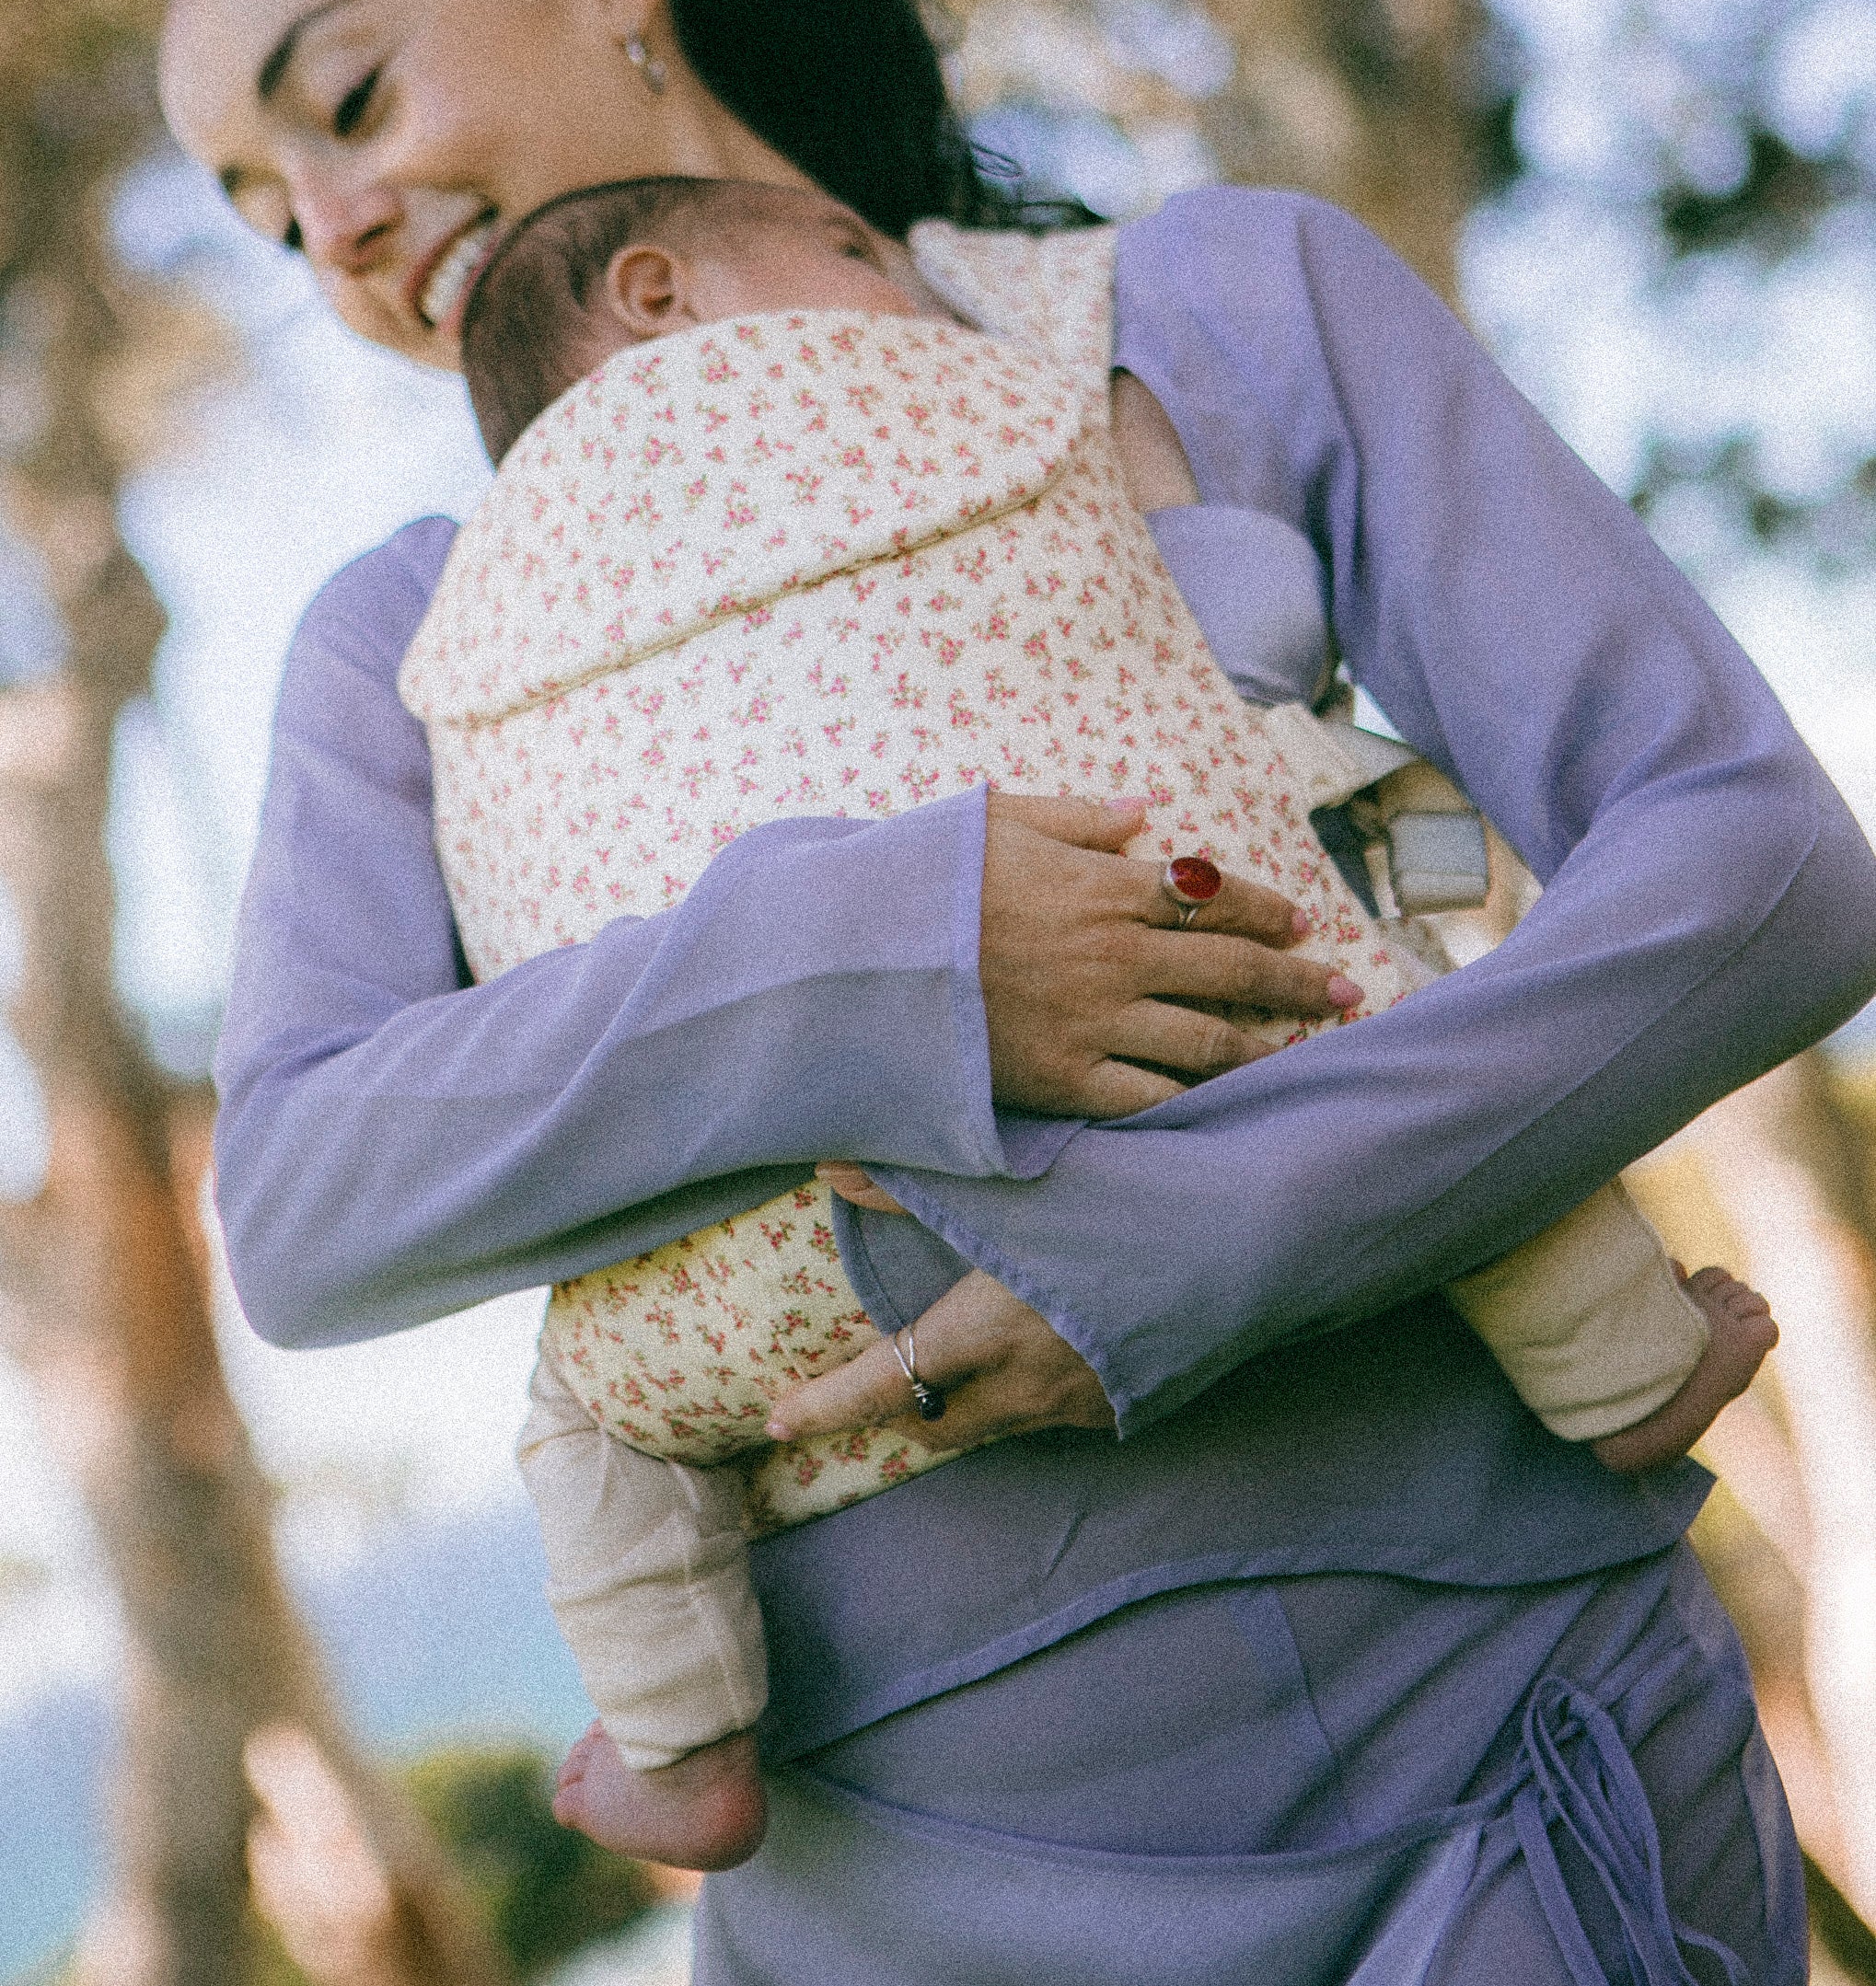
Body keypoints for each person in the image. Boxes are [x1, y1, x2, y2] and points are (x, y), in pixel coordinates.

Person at [162, 0, 1876, 1985]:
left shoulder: (1220, 305)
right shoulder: (408, 633)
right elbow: (308, 1202)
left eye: (347, 100)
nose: (334, 225)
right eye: (263, 216)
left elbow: (1760, 867)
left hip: (1500, 1748)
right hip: (892, 1884)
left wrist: (1197, 1235)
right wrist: (889, 953)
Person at [413, 167, 1776, 1874]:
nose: (898, 294)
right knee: (1372, 1009)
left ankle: (682, 1743)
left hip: (758, 1236)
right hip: (1170, 1008)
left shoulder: (468, 610)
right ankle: (1630, 1368)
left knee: (589, 1416)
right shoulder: (972, 405)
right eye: (852, 252)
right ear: (656, 293)